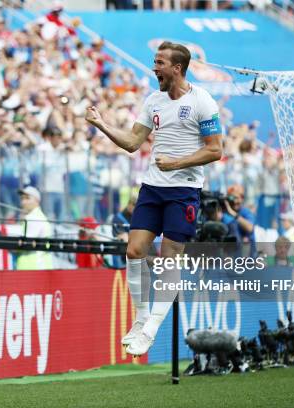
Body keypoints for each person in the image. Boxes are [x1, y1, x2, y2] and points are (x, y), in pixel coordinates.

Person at [85, 41, 223, 356]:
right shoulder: (153, 100)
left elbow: (215, 150)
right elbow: (133, 141)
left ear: (177, 68)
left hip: (184, 190)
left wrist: (176, 163)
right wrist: (101, 124)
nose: (154, 68)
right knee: (134, 250)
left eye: (159, 63)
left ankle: (151, 328)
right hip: (152, 186)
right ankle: (141, 317)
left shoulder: (203, 101)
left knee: (168, 257)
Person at [15, 186, 54, 270]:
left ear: (37, 201)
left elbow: (24, 244)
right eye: (22, 198)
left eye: (27, 198)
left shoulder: (34, 218)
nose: (23, 202)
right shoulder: (33, 217)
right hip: (34, 269)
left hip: (35, 269)